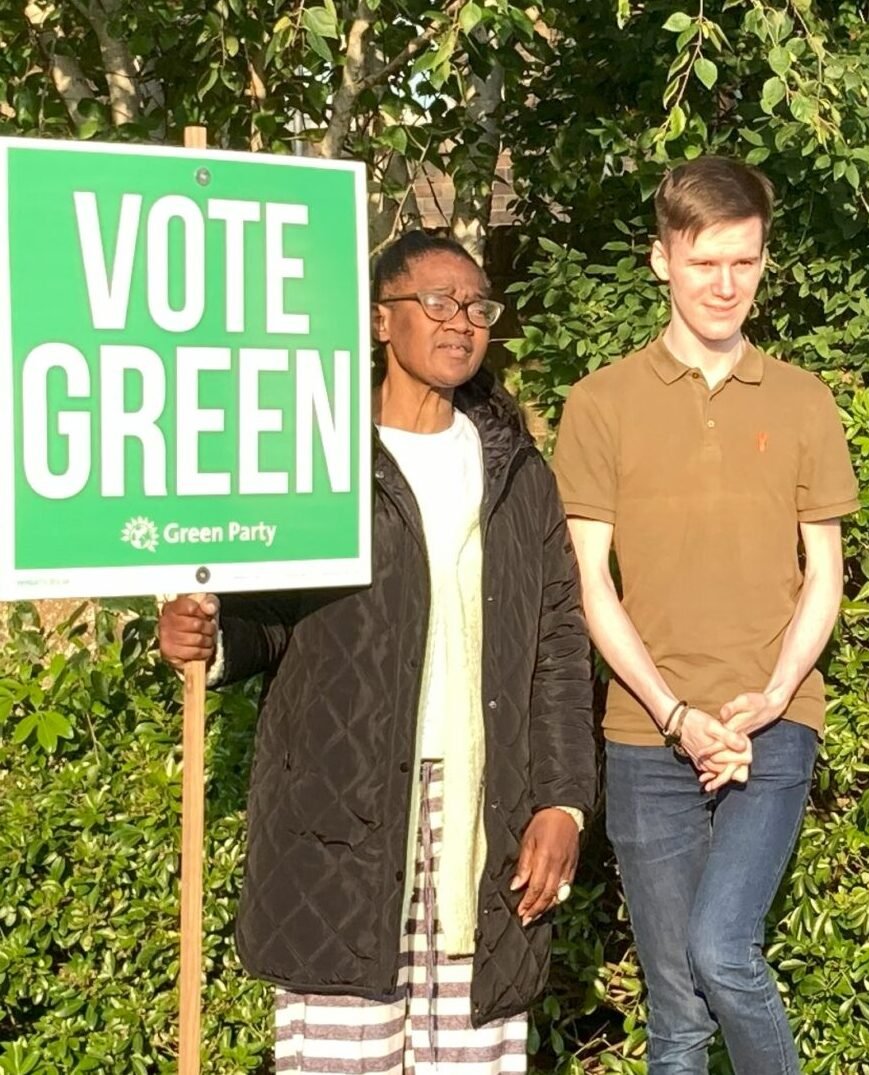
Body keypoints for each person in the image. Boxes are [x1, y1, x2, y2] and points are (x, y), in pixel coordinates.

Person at [156, 230, 597, 1074]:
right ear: (377, 321)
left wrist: (564, 804)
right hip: (346, 814)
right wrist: (205, 643)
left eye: (476, 305)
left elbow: (559, 647)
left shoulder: (515, 471)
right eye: (436, 301)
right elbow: (267, 618)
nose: (461, 321)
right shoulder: (318, 461)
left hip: (482, 812)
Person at [550, 156, 859, 1075]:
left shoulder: (804, 401)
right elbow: (589, 581)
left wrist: (769, 695)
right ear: (661, 261)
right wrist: (675, 713)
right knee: (678, 1008)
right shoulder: (600, 403)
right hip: (647, 733)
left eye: (744, 262)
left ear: (764, 262)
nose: (726, 285)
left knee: (724, 950)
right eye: (704, 263)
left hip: (771, 724)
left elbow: (824, 575)